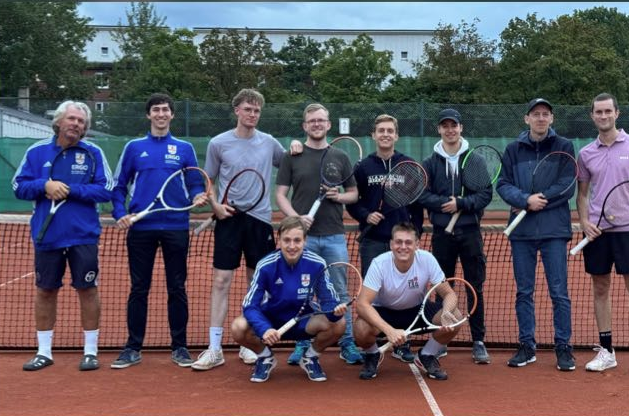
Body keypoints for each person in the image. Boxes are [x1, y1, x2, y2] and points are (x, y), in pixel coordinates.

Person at [192, 88, 301, 370]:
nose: (252, 114)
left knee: (257, 283)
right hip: (228, 220)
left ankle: (249, 342)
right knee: (221, 281)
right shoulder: (218, 143)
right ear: (237, 110)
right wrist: (215, 206)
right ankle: (214, 349)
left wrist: (296, 146)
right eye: (248, 109)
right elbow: (208, 180)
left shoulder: (269, 142)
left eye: (256, 111)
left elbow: (289, 163)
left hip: (260, 221)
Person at [12, 100, 114, 371]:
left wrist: (70, 190)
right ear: (58, 121)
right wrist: (45, 185)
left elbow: (106, 189)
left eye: (81, 121)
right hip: (48, 236)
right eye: (71, 119)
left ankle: (90, 352)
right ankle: (44, 352)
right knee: (45, 290)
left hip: (83, 236)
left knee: (88, 290)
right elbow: (18, 187)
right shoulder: (36, 152)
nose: (76, 124)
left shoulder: (93, 152)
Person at [110, 93, 209, 369]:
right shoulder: (133, 147)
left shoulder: (185, 148)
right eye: (156, 110)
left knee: (176, 288)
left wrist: (197, 195)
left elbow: (195, 182)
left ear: (172, 115)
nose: (161, 114)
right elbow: (119, 186)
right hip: (141, 228)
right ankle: (132, 347)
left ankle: (180, 347)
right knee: (139, 288)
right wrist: (119, 213)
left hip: (176, 227)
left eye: (166, 110)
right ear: (148, 115)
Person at [275, 103, 363, 366]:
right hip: (304, 239)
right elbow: (280, 195)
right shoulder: (292, 156)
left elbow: (353, 194)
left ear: (328, 124)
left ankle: (347, 342)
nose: (316, 124)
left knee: (340, 292)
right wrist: (296, 219)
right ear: (305, 126)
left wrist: (338, 196)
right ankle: (303, 343)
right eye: (312, 120)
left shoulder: (340, 156)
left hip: (334, 236)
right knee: (303, 292)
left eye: (321, 120)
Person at [496, 98, 576, 371]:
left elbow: (567, 184)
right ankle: (527, 346)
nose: (541, 118)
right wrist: (524, 199)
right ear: (527, 118)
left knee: (559, 292)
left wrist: (539, 199)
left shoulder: (564, 146)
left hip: (555, 230)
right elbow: (503, 184)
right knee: (524, 292)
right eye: (536, 114)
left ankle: (563, 347)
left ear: (551, 118)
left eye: (545, 114)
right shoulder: (513, 149)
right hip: (522, 232)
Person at [346, 113, 424, 363]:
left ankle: (402, 341)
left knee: (404, 293)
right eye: (381, 130)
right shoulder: (363, 167)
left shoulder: (408, 164)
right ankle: (374, 344)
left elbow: (417, 205)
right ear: (373, 135)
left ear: (396, 135)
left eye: (390, 130)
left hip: (402, 244)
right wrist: (365, 215)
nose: (385, 134)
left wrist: (416, 233)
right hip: (373, 241)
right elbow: (352, 201)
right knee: (373, 294)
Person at [231, 216, 347, 382]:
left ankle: (310, 357)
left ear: (305, 241)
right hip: (271, 323)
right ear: (279, 240)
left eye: (297, 240)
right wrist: (264, 328)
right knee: (238, 327)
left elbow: (328, 301)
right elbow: (250, 305)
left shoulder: (317, 264)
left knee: (339, 324)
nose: (292, 246)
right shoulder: (265, 265)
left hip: (304, 322)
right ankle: (265, 357)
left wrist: (335, 312)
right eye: (286, 240)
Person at [416, 108, 491, 364]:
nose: (450, 130)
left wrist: (461, 203)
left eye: (454, 125)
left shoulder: (474, 160)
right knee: (443, 287)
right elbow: (422, 194)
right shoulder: (429, 163)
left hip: (470, 233)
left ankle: (478, 340)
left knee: (474, 286)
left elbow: (485, 194)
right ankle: (441, 338)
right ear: (439, 129)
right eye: (445, 126)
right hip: (442, 234)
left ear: (461, 128)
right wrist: (444, 204)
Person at [354, 222, 460, 381]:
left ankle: (427, 355)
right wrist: (389, 330)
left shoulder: (427, 259)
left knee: (455, 317)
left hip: (417, 311)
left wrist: (446, 312)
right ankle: (372, 354)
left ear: (417, 244)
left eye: (408, 242)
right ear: (391, 244)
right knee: (360, 328)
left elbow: (449, 294)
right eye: (398, 242)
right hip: (384, 312)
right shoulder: (379, 263)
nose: (403, 247)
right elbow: (362, 304)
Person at [575, 92, 629, 372]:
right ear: (592, 116)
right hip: (597, 233)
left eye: (608, 111)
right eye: (599, 112)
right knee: (600, 288)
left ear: (617, 113)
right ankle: (607, 351)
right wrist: (585, 222)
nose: (604, 116)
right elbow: (582, 195)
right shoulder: (586, 153)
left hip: (627, 231)